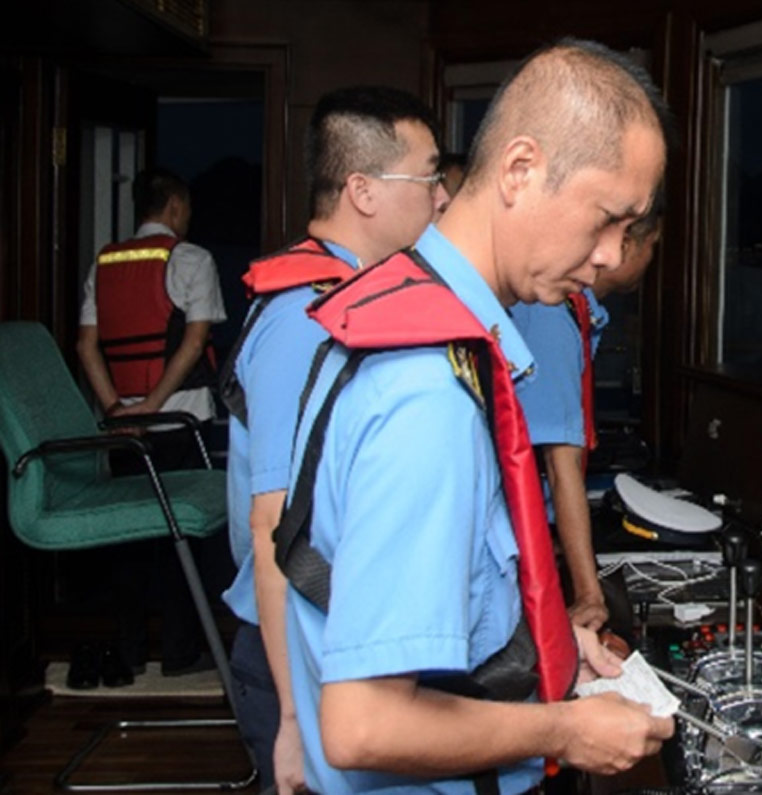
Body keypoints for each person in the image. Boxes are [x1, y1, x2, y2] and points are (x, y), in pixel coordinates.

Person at [281, 39, 673, 793]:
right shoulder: (426, 394)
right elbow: (365, 723)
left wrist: (549, 650)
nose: (610, 255)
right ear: (521, 170)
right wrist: (566, 729)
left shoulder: (400, 315)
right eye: (607, 219)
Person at [222, 86, 448, 793]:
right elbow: (271, 528)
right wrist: (296, 717)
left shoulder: (346, 299)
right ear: (363, 190)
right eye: (431, 176)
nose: (443, 198)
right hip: (293, 650)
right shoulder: (305, 319)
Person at [74, 167, 226, 686]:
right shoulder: (192, 259)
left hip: (123, 432)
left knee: (132, 542)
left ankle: (132, 651)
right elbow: (196, 339)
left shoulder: (104, 264)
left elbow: (85, 346)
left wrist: (117, 407)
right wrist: (155, 404)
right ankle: (181, 653)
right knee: (189, 533)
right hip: (179, 419)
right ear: (177, 207)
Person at [509, 200, 663, 630]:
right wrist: (590, 595)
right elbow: (561, 467)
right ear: (626, 244)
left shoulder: (577, 314)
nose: (651, 260)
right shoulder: (551, 318)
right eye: (652, 246)